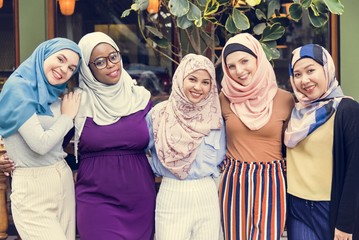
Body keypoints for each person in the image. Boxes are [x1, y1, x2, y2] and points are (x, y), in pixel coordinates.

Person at [74, 32, 156, 239]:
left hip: (140, 199)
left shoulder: (141, 98)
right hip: (96, 200)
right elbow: (51, 145)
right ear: (87, 68)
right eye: (100, 62)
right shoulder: (77, 103)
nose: (111, 64)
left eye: (113, 56)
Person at [0, 38, 82, 240]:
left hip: (61, 179)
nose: (64, 69)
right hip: (32, 187)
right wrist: (66, 117)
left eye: (71, 68)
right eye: (60, 59)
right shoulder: (17, 88)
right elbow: (40, 144)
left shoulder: (54, 94)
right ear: (44, 55)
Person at [218, 33, 295, 240]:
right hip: (235, 180)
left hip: (272, 180)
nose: (239, 71)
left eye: (244, 61)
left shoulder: (286, 99)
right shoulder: (224, 98)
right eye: (231, 66)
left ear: (258, 59)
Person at [146, 53, 226, 239]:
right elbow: (140, 154)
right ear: (181, 77)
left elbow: (221, 159)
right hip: (171, 193)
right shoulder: (159, 114)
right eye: (192, 79)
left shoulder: (215, 117)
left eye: (206, 82)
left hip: (207, 194)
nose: (198, 87)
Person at [284, 44, 359, 240]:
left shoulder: (348, 110)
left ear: (327, 69)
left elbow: (355, 171)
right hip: (297, 209)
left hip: (330, 209)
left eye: (310, 70)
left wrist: (345, 223)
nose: (304, 80)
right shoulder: (294, 113)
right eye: (297, 74)